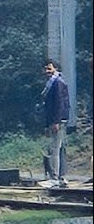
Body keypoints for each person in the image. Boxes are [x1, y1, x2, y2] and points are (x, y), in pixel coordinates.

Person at [40, 59, 70, 188]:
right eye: (45, 69)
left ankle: (55, 177)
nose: (47, 71)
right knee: (58, 148)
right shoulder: (51, 83)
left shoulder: (57, 83)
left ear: (56, 69)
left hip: (57, 121)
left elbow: (59, 104)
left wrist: (56, 122)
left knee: (55, 149)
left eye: (50, 68)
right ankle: (61, 177)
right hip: (54, 120)